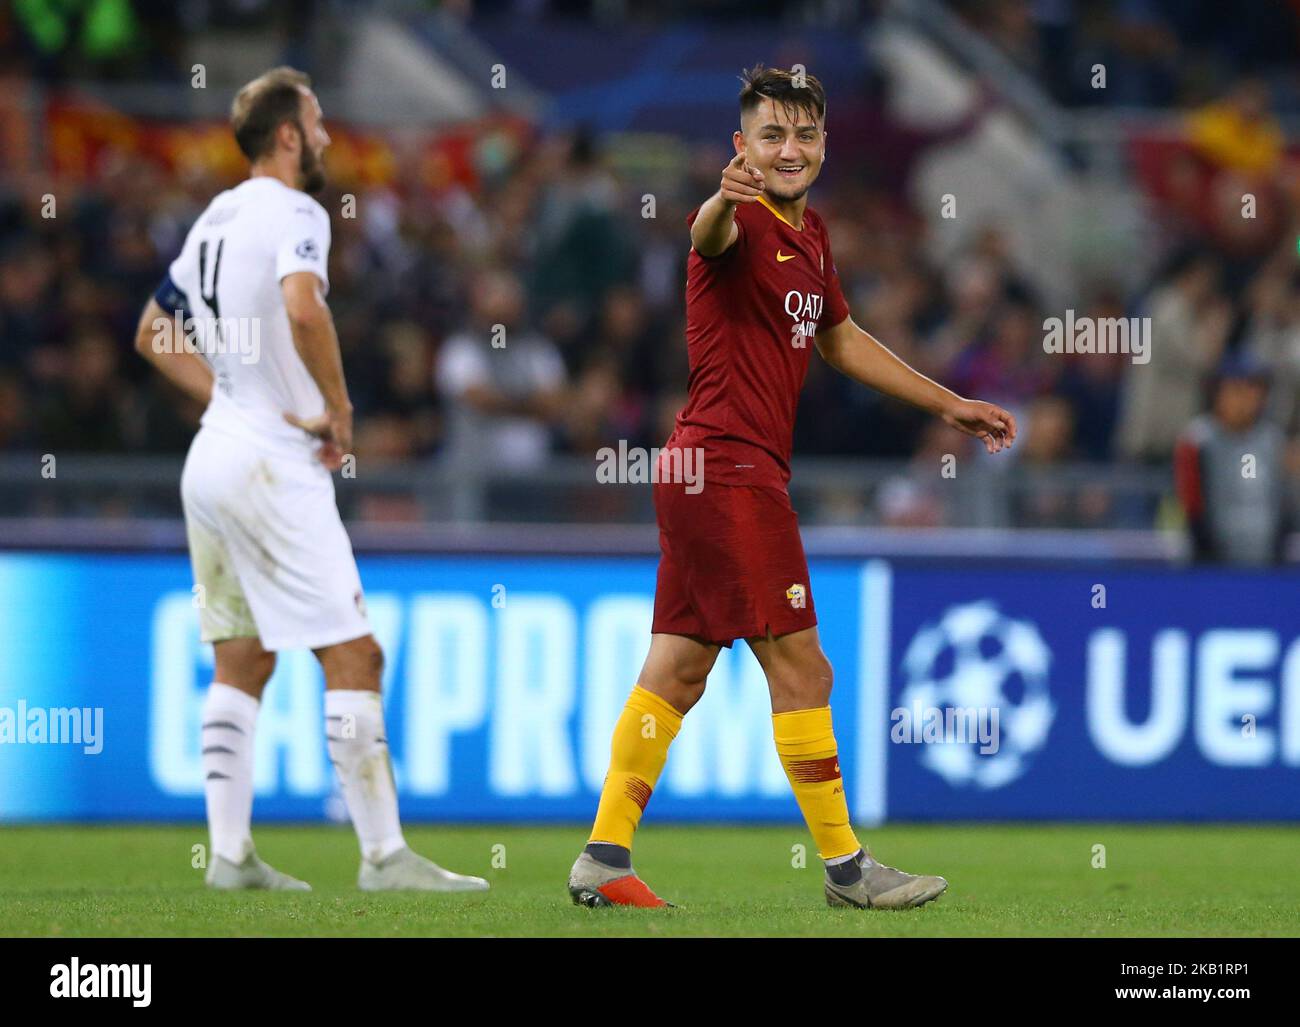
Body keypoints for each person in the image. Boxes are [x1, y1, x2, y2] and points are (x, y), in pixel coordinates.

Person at [568, 66, 1016, 911]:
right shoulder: (737, 220)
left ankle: (604, 854)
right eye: (771, 135)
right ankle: (848, 870)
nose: (789, 149)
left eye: (804, 135)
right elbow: (704, 236)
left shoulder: (812, 240)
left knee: (677, 671)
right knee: (804, 668)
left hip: (710, 471)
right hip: (727, 469)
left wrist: (949, 402)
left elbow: (842, 343)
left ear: (822, 146)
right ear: (743, 148)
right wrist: (719, 197)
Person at [133, 67, 486, 894]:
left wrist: (224, 386)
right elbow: (302, 306)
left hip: (212, 456)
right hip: (269, 462)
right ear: (289, 134)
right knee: (355, 651)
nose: (327, 137)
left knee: (242, 660)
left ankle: (229, 857)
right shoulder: (297, 212)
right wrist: (338, 406)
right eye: (319, 122)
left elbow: (152, 331)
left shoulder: (215, 217)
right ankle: (383, 856)